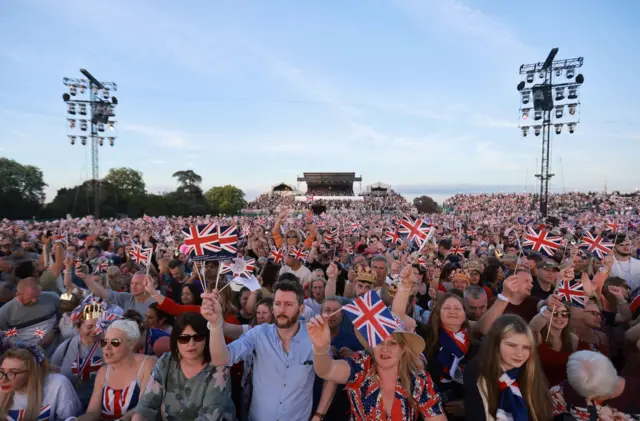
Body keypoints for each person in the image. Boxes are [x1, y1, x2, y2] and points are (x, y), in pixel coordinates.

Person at [201, 279, 336, 421]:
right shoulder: (259, 334)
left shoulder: (314, 338)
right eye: (277, 304)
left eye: (289, 304)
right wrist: (215, 324)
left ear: (301, 309)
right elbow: (221, 358)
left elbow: (331, 376)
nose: (281, 310)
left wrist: (319, 415)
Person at [307, 311, 446, 421]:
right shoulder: (361, 367)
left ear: (403, 348)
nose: (385, 349)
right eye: (379, 342)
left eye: (392, 343)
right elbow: (327, 370)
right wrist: (320, 348)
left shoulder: (418, 380)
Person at [132, 312, 236, 421]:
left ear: (206, 339)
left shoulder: (219, 368)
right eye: (184, 339)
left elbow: (210, 415)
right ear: (175, 341)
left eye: (198, 337)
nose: (191, 343)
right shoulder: (165, 362)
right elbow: (146, 405)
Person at [463, 314, 553, 421]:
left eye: (526, 347)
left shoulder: (531, 371)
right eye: (511, 345)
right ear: (496, 344)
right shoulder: (477, 373)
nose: (519, 353)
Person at [78, 320, 156, 421]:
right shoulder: (103, 372)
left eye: (115, 342)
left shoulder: (148, 364)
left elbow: (143, 407)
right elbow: (93, 412)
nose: (107, 347)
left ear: (131, 345)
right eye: (104, 342)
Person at [419, 293, 478, 420]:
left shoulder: (476, 347)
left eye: (457, 308)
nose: (452, 311)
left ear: (464, 314)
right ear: (438, 312)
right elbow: (399, 317)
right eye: (446, 308)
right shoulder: (425, 336)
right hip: (428, 410)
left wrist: (469, 405)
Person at [0, 342, 81, 420]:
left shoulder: (58, 384)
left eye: (12, 373)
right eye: (2, 371)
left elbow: (71, 418)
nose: (3, 380)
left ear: (32, 373)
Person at [551, 350, 640, 419]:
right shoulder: (567, 390)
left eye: (596, 393)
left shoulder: (635, 395)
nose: (588, 399)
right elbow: (543, 411)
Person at [50, 301, 104, 409]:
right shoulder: (65, 347)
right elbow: (53, 373)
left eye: (99, 326)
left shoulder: (109, 347)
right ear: (78, 328)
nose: (95, 331)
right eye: (89, 327)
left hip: (98, 408)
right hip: (68, 406)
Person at [0, 277, 59, 350]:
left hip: (54, 347)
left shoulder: (53, 297)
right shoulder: (4, 312)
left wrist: (54, 331)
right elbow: (5, 337)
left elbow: (63, 317)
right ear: (18, 294)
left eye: (37, 296)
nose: (34, 300)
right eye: (30, 298)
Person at [82, 271, 156, 315]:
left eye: (138, 283)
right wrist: (86, 278)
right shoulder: (126, 297)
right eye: (132, 283)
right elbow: (102, 293)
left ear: (147, 284)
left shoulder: (156, 302)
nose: (133, 286)